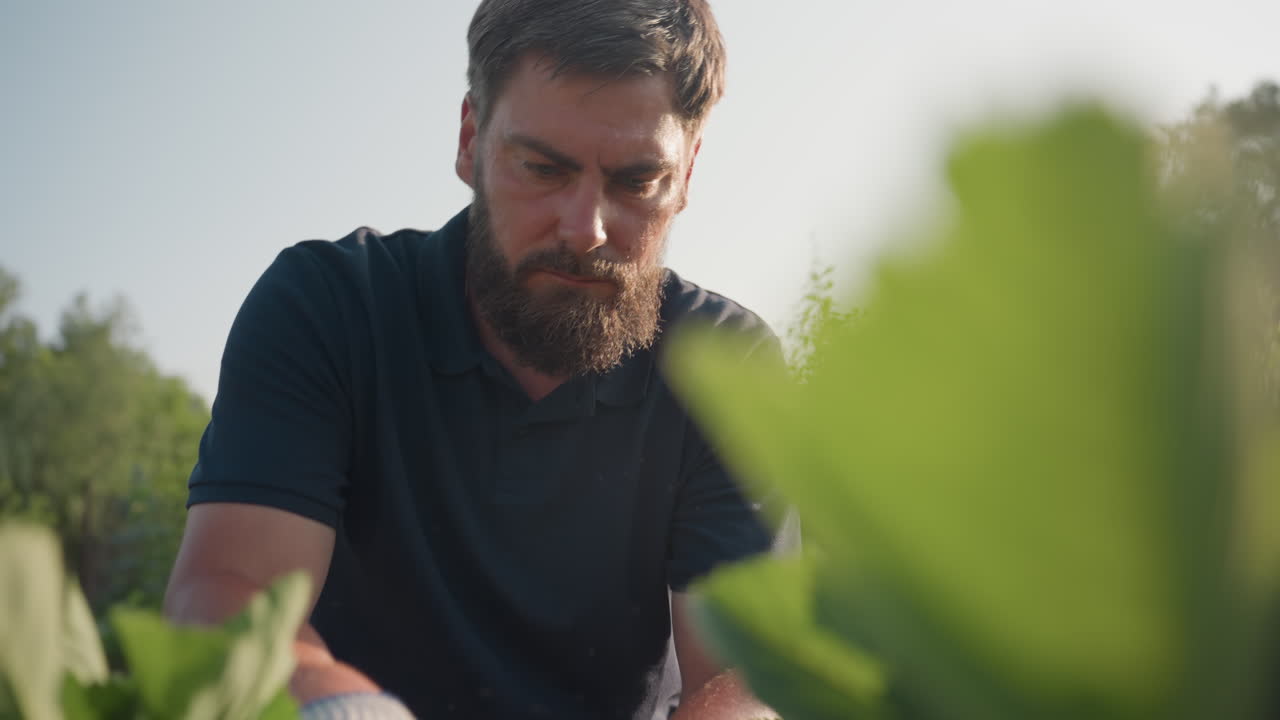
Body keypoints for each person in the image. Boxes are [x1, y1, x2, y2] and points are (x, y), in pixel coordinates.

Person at [163, 1, 782, 718]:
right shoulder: (327, 309)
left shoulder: (724, 367)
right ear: (469, 141)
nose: (586, 230)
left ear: (687, 173)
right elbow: (226, 591)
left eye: (636, 182)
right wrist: (347, 711)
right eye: (544, 169)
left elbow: (744, 678)